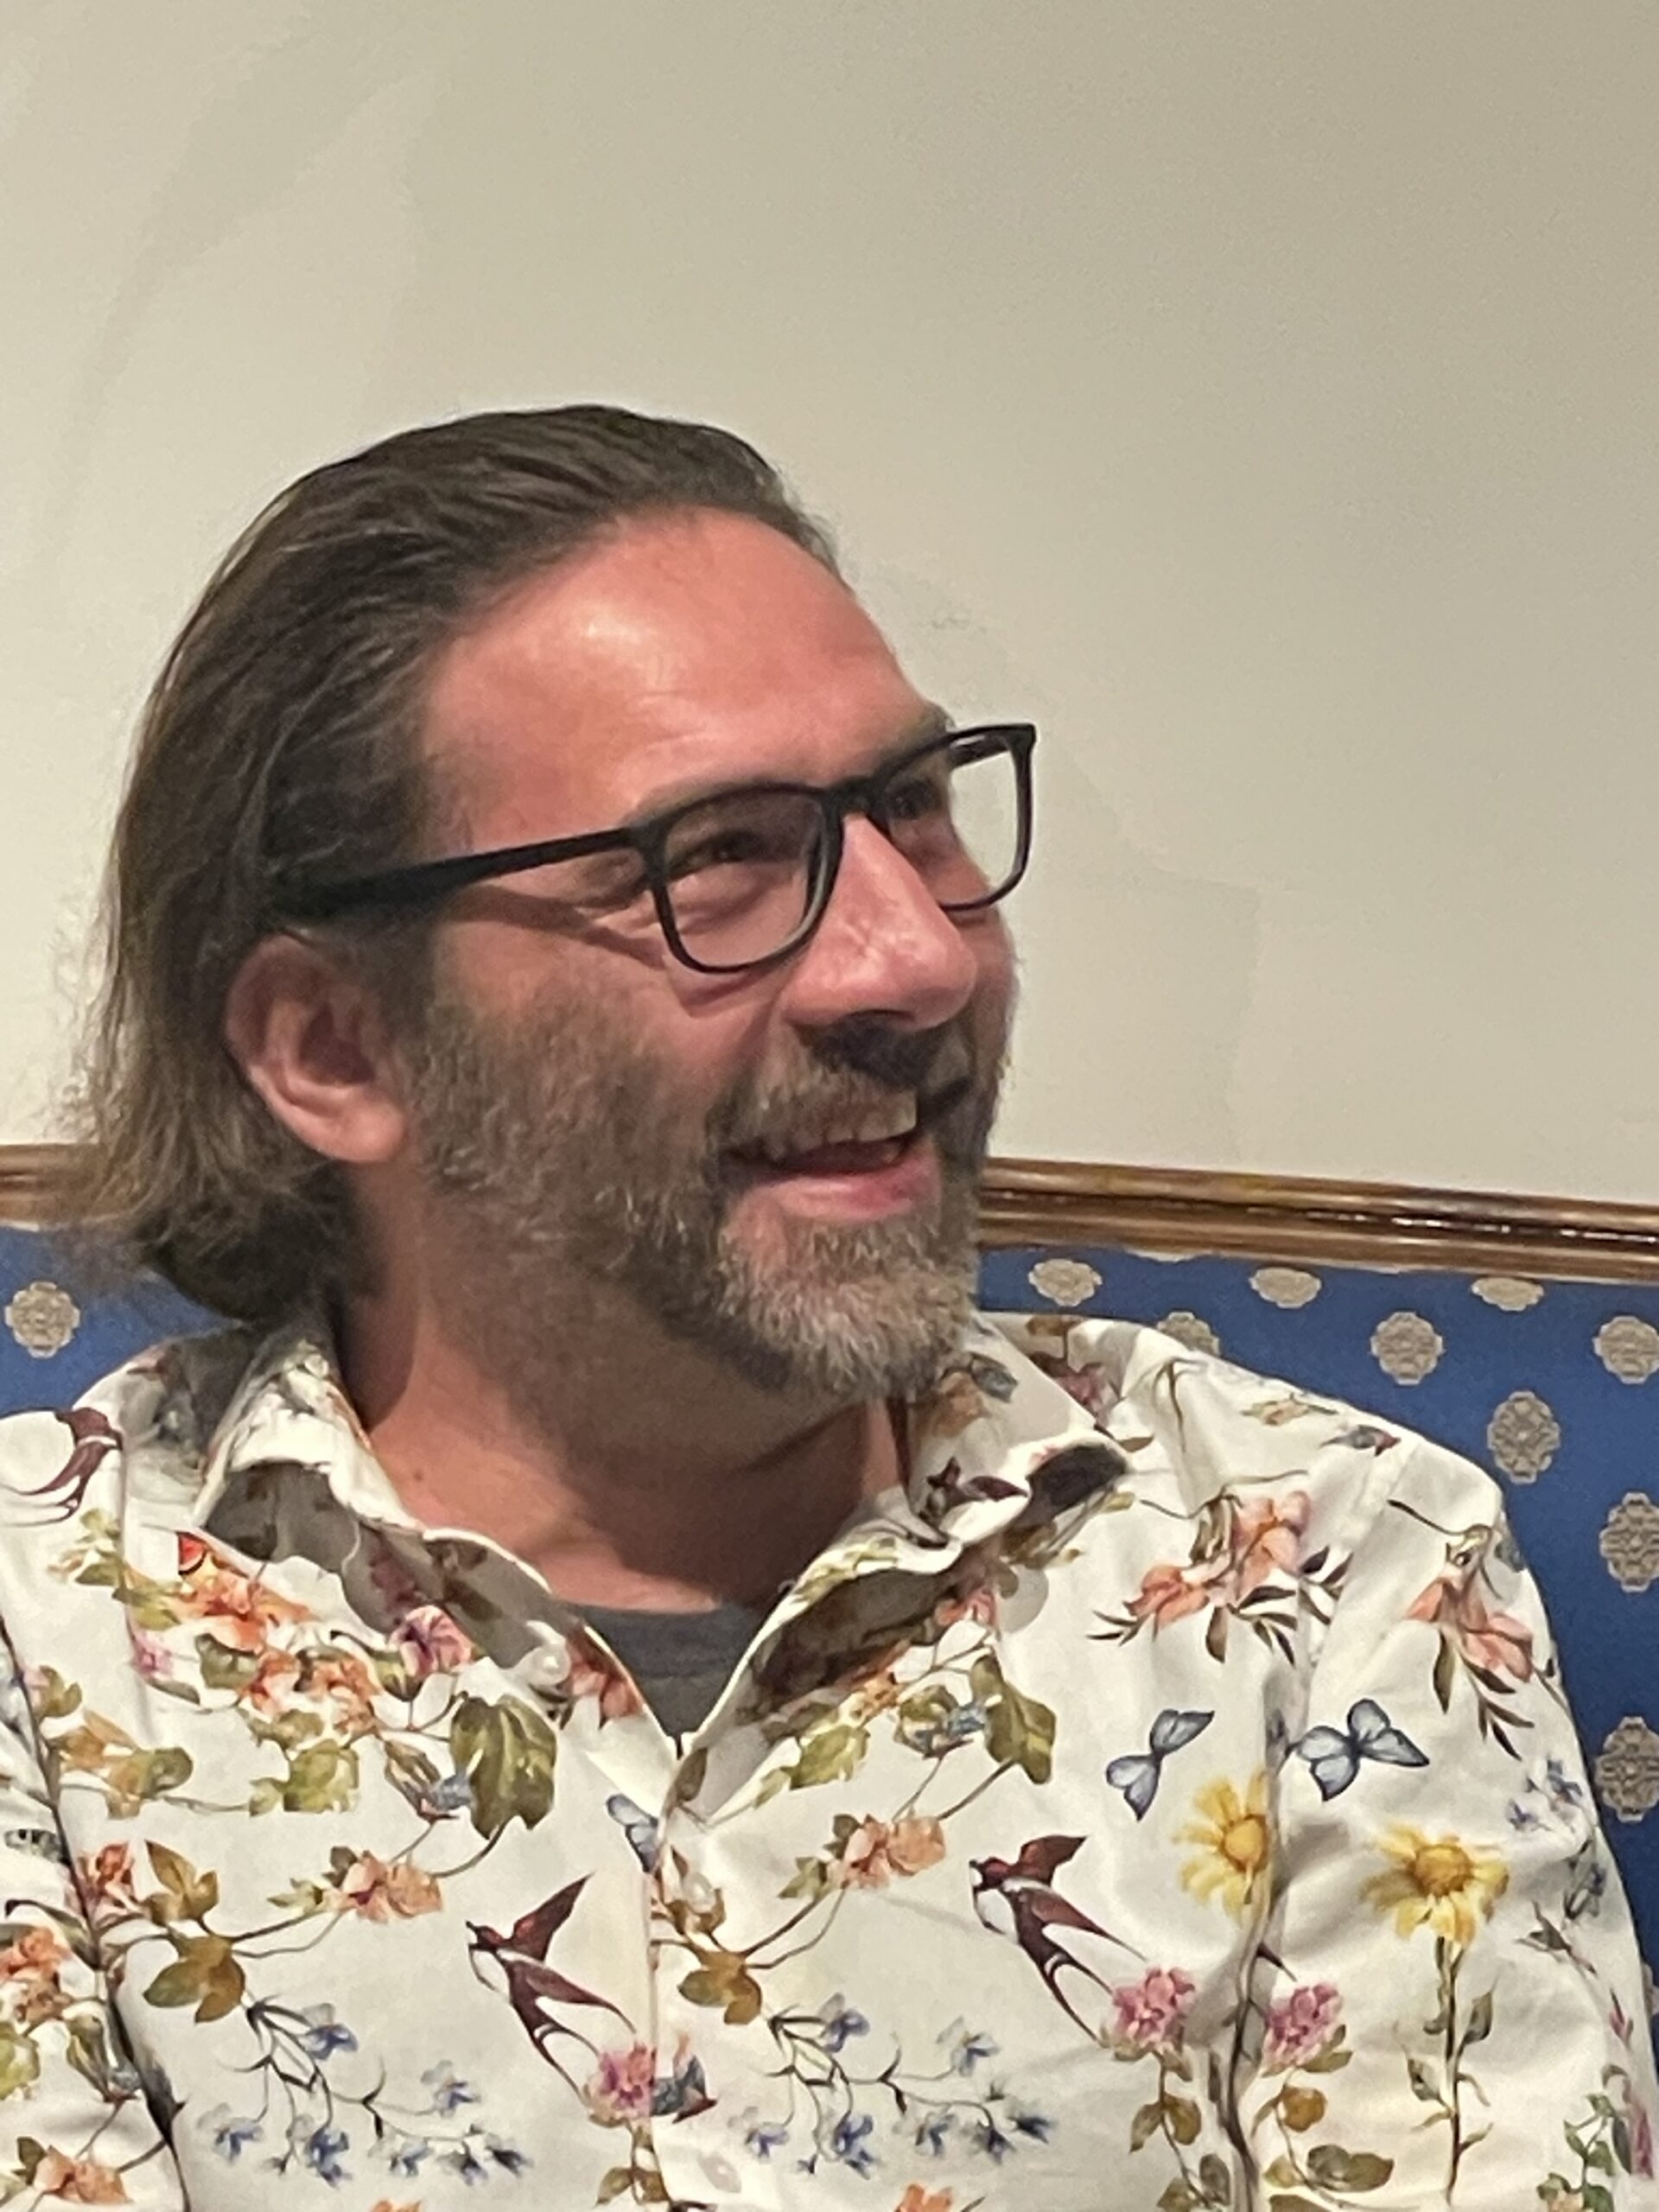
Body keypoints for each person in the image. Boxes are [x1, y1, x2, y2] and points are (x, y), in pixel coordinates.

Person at [0, 405, 1650, 2212]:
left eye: (914, 809)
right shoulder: (42, 1643)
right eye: (717, 855)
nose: (919, 956)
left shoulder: (1327, 1575)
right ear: (337, 1047)